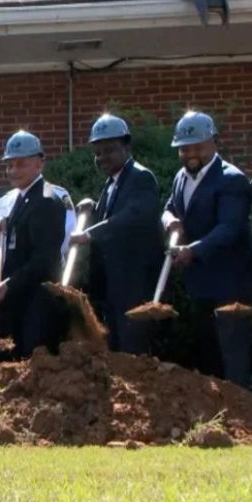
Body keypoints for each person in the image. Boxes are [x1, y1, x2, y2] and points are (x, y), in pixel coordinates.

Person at [162, 111, 252, 388]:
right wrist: (170, 221)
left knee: (232, 347)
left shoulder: (231, 179)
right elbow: (169, 208)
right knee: (208, 347)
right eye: (184, 149)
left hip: (231, 280)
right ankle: (216, 412)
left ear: (214, 142)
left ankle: (241, 413)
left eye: (197, 147)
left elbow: (229, 228)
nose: (190, 154)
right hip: (200, 281)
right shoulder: (181, 177)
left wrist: (192, 250)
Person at [69, 114, 164, 354]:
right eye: (98, 152)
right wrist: (93, 209)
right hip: (111, 284)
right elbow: (110, 218)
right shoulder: (110, 184)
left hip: (134, 283)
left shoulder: (141, 178)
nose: (102, 158)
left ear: (127, 147)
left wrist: (90, 234)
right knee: (115, 347)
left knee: (134, 350)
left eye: (109, 150)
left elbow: (131, 217)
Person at [0, 131, 68, 357]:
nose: (14, 171)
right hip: (21, 299)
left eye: (21, 164)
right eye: (9, 165)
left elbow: (44, 259)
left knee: (33, 361)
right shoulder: (24, 197)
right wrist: (9, 225)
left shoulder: (45, 200)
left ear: (39, 163)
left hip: (38, 301)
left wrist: (10, 283)